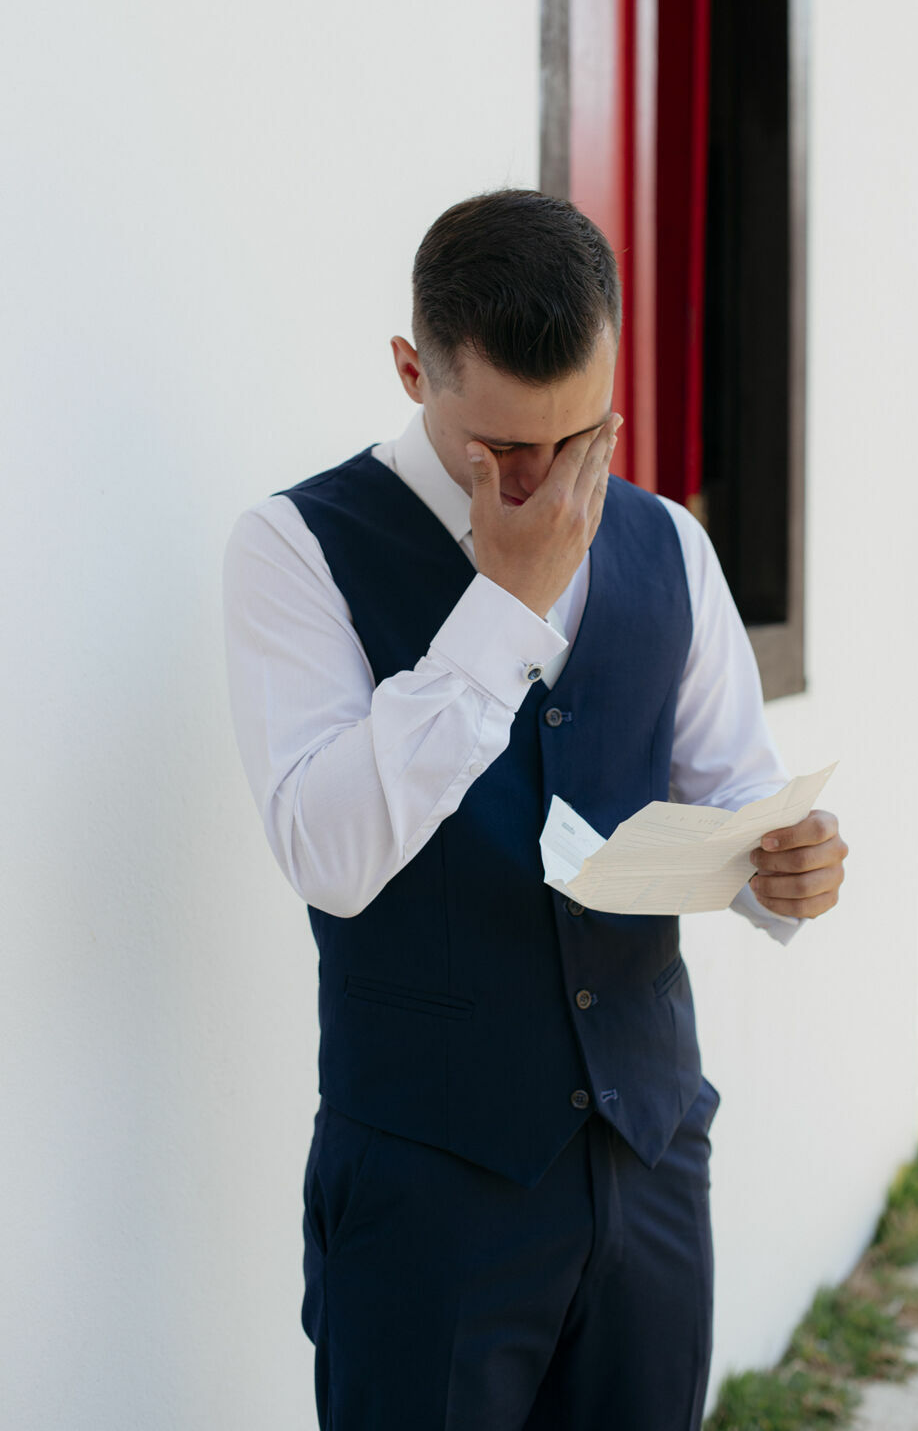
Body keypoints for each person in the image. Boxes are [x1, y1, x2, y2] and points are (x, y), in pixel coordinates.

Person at [222, 188, 848, 1430]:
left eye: (581, 436)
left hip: (652, 1158)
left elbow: (729, 790)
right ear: (415, 370)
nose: (547, 478)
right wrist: (501, 609)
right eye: (502, 447)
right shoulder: (292, 548)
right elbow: (328, 853)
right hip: (426, 1197)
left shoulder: (670, 545)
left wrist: (785, 867)